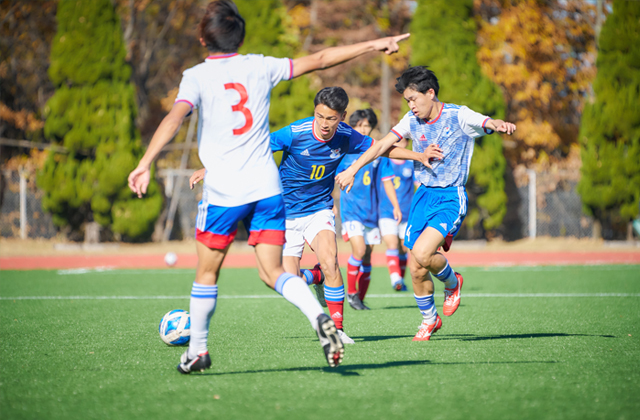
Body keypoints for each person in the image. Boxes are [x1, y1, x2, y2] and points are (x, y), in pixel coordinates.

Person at [127, 0, 411, 372]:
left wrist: (146, 162)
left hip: (227, 186)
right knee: (274, 271)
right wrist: (373, 44)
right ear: (240, 36)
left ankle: (198, 350)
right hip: (266, 186)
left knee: (208, 271)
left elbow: (173, 119)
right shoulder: (262, 66)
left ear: (201, 38)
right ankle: (319, 318)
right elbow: (322, 58)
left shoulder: (196, 76)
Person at [336, 66, 516, 341]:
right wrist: (354, 169)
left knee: (421, 252)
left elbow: (485, 121)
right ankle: (429, 320)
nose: (410, 105)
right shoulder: (411, 120)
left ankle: (453, 283)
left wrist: (498, 125)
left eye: (413, 99)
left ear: (430, 93)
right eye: (407, 100)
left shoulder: (459, 115)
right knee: (417, 267)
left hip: (449, 197)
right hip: (422, 197)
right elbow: (381, 145)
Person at [337, 109, 402, 310]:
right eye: (359, 125)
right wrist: (330, 202)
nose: (363, 129)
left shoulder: (378, 152)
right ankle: (351, 294)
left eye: (366, 126)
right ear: (353, 127)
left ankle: (360, 300)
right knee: (359, 249)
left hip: (371, 213)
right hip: (351, 211)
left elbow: (387, 182)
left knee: (367, 257)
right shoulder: (344, 151)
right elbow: (333, 180)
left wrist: (395, 206)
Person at [376, 155, 415, 291]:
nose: (402, 142)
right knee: (392, 243)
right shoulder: (384, 162)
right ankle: (395, 278)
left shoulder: (410, 164)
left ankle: (401, 281)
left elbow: (418, 184)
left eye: (405, 140)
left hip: (407, 212)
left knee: (404, 248)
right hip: (387, 211)